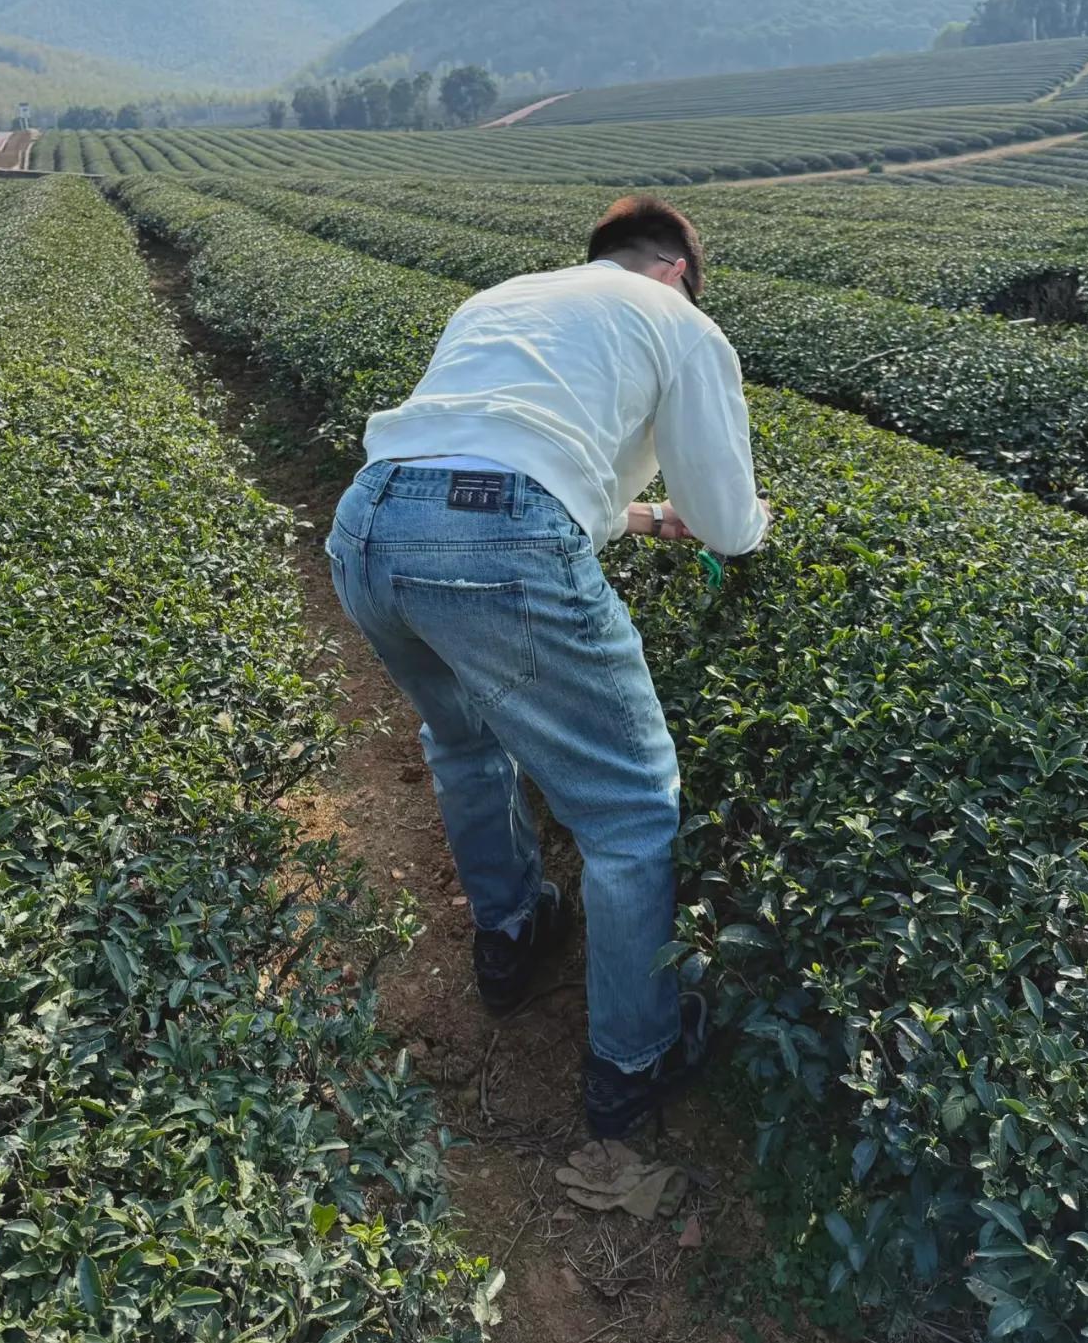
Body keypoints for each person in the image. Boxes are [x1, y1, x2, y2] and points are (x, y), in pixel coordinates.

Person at [325, 195, 771, 1138]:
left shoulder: (505, 297)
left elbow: (497, 458)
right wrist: (739, 521)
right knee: (632, 809)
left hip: (370, 523)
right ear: (677, 271)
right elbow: (730, 527)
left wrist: (646, 518)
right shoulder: (681, 322)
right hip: (495, 543)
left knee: (463, 736)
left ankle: (513, 934)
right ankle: (632, 1058)